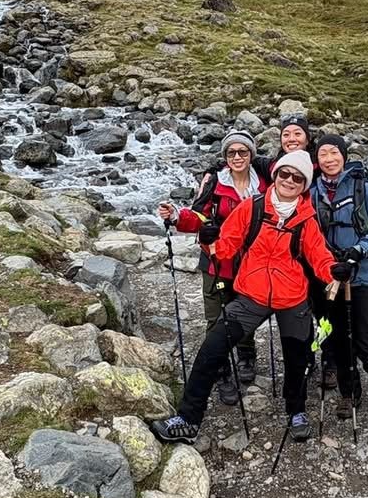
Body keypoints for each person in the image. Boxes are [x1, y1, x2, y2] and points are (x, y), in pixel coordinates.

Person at [148, 150, 349, 445]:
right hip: (251, 294)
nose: (289, 180)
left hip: (291, 297)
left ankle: (296, 411)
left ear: (304, 185)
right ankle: (188, 420)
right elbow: (224, 248)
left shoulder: (306, 219)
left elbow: (319, 256)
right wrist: (208, 241)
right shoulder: (251, 207)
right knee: (211, 350)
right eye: (284, 174)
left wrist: (333, 270)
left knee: (298, 360)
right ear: (275, 175)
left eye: (297, 178)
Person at [158, 129, 262, 406]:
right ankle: (221, 369)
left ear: (251, 154)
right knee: (216, 319)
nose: (237, 157)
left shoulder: (263, 183)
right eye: (231, 152)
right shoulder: (215, 182)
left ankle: (247, 354)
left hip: (251, 263)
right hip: (217, 261)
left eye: (242, 151)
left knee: (246, 313)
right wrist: (177, 216)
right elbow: (198, 215)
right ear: (225, 156)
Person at [310, 133, 368, 429]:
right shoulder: (312, 191)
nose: (329, 159)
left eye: (334, 153)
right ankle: (349, 393)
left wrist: (358, 251)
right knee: (338, 339)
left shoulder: (363, 188)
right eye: (323, 154)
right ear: (317, 159)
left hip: (359, 276)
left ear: (344, 156)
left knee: (365, 339)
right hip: (329, 276)